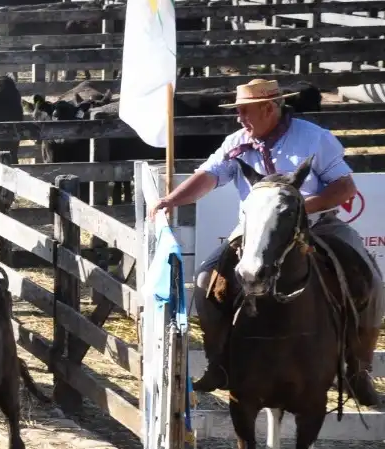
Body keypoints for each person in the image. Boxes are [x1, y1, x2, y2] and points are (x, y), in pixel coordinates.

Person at [151, 77, 382, 405]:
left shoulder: (315, 139)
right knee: (206, 279)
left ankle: (359, 369)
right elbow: (208, 176)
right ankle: (219, 362)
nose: (239, 118)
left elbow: (344, 188)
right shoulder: (236, 141)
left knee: (369, 278)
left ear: (270, 108)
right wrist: (171, 200)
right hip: (255, 230)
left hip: (316, 225)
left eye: (245, 110)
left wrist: (298, 207)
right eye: (238, 111)